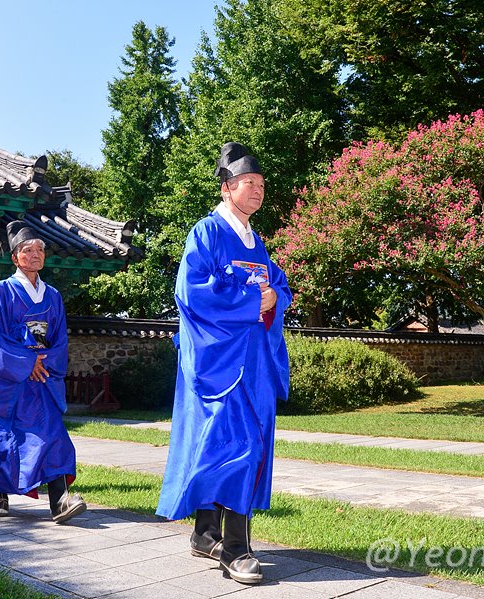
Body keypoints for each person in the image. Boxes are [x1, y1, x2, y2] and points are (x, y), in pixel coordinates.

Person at [156, 142, 291, 585]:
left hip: (254, 363)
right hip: (220, 364)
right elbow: (193, 293)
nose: (258, 191)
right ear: (228, 187)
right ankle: (235, 549)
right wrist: (256, 299)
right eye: (250, 184)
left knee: (232, 446)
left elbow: (277, 286)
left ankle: (205, 534)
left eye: (262, 185)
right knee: (235, 446)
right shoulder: (208, 233)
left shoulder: (257, 242)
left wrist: (274, 298)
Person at [0, 221, 86, 522]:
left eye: (40, 249)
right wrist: (26, 362)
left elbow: (60, 339)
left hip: (42, 380)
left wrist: (43, 363)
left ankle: (59, 501)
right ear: (15, 257)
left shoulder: (53, 296)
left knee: (53, 436)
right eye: (27, 250)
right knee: (4, 437)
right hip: (10, 382)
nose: (35, 254)